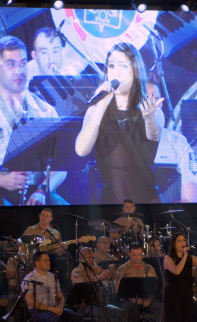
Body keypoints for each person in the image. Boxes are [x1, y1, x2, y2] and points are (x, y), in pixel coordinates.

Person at [0, 35, 66, 206]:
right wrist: (4, 180)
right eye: (11, 64)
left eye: (23, 63)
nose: (19, 71)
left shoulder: (46, 110)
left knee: (63, 210)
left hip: (35, 190)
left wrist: (42, 191)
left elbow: (62, 166)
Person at [75, 42, 163, 204]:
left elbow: (154, 136)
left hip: (145, 201)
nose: (117, 72)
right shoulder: (96, 109)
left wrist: (149, 117)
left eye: (123, 66)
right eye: (112, 66)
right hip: (108, 201)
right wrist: (101, 105)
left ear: (135, 70)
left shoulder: (150, 109)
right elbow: (81, 150)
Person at [23, 251, 82, 322]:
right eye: (45, 260)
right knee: (55, 321)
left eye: (49, 260)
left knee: (77, 318)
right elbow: (31, 302)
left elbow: (60, 296)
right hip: (38, 310)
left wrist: (60, 306)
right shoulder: (29, 279)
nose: (49, 262)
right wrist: (51, 309)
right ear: (37, 263)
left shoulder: (52, 276)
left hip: (54, 307)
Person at [70, 247, 126, 322]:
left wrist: (112, 272)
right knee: (102, 314)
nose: (92, 260)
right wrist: (101, 277)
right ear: (81, 258)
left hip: (99, 303)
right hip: (85, 305)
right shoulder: (76, 272)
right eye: (89, 257)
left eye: (93, 257)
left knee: (122, 313)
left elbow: (111, 278)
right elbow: (83, 286)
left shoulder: (94, 268)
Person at [116, 243, 163, 322]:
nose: (137, 258)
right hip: (129, 300)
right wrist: (131, 299)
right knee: (132, 309)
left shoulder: (148, 268)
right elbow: (118, 290)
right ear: (129, 254)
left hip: (146, 299)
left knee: (160, 307)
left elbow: (155, 286)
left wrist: (149, 299)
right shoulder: (122, 268)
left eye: (139, 255)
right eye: (134, 255)